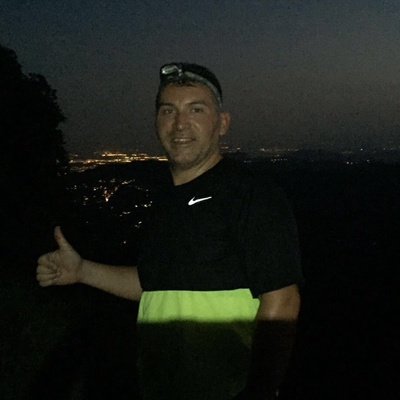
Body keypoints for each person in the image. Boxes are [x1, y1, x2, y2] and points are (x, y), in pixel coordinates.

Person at [37, 62, 304, 400]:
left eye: (196, 109)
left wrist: (259, 390)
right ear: (157, 122)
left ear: (222, 123)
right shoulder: (167, 202)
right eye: (168, 110)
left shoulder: (250, 194)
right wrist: (82, 271)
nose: (180, 123)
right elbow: (155, 284)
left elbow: (283, 301)